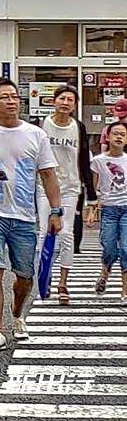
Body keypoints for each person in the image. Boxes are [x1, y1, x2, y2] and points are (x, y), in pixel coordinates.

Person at [0, 77, 63, 353]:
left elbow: (48, 174)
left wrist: (56, 211)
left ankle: (18, 313)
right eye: (5, 97)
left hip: (24, 215)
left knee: (25, 276)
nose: (11, 101)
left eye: (15, 96)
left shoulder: (35, 134)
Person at [37, 85, 95, 305]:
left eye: (70, 100)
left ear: (75, 105)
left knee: (66, 234)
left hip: (70, 187)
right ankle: (45, 275)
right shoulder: (42, 125)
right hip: (44, 186)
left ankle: (63, 283)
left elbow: (83, 160)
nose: (65, 103)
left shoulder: (78, 127)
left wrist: (91, 194)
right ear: (54, 101)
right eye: (62, 98)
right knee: (44, 231)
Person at [88, 121, 127, 302]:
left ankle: (125, 290)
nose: (119, 137)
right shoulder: (98, 161)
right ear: (107, 137)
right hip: (109, 209)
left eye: (123, 134)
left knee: (126, 249)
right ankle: (105, 272)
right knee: (109, 247)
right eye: (115, 133)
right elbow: (94, 188)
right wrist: (92, 210)